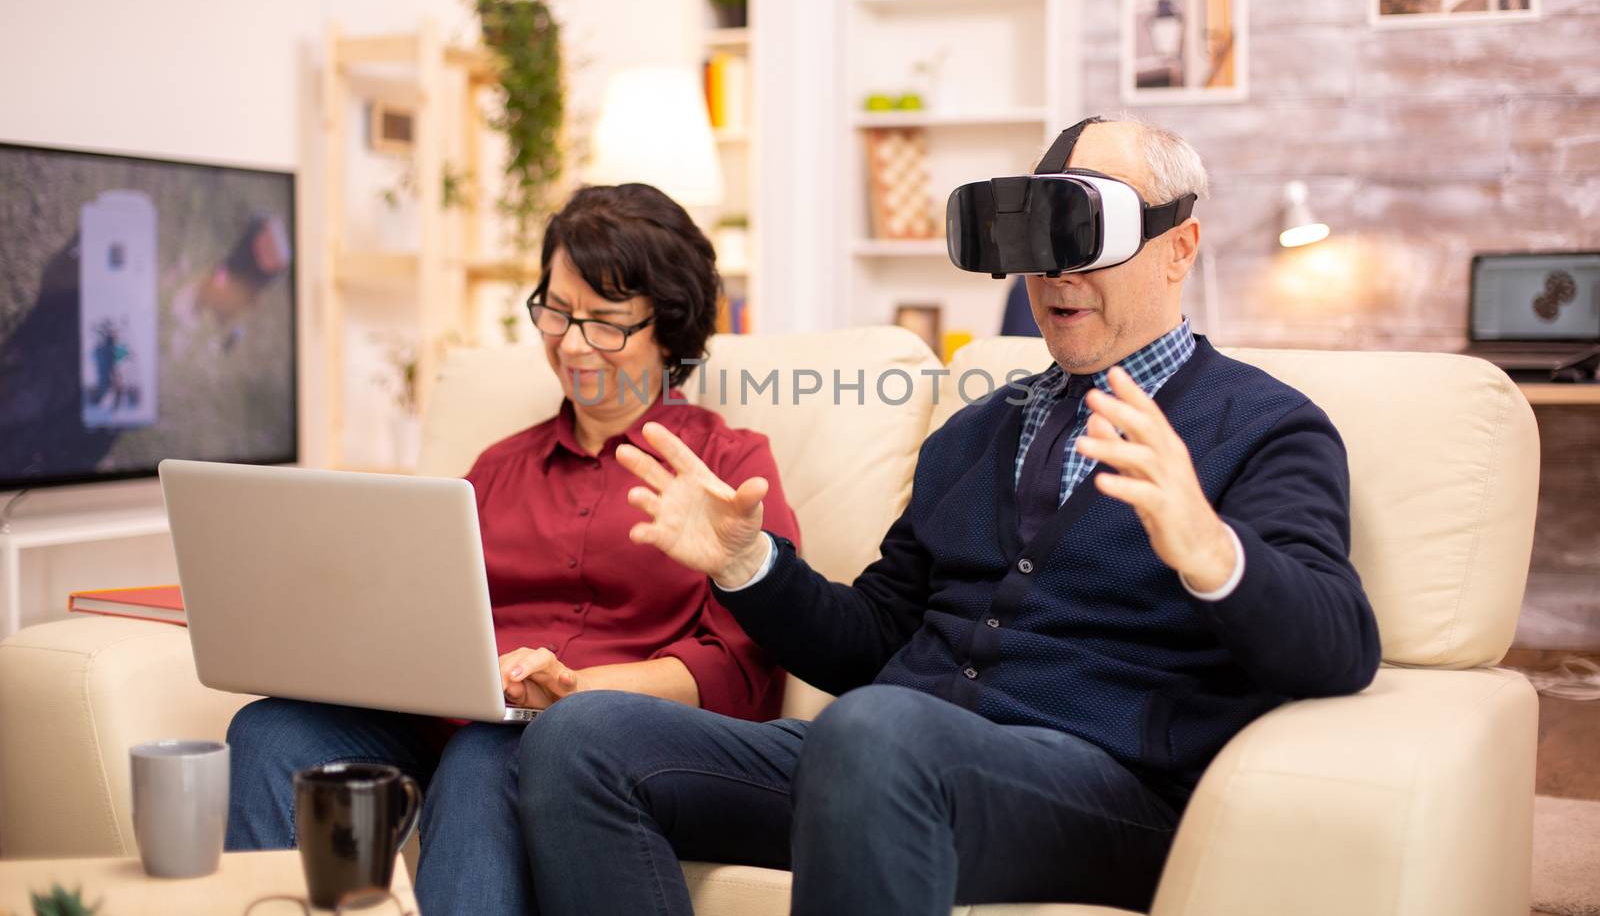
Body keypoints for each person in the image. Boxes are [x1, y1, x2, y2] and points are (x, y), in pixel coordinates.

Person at [514, 118, 1382, 914]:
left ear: (1178, 248)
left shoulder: (1264, 426)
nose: (1057, 273)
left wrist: (1209, 548)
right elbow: (871, 640)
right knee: (580, 738)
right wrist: (749, 563)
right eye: (1043, 241)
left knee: (876, 734)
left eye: (1090, 239)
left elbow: (1337, 645)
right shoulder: (973, 433)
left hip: (1105, 794)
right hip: (880, 762)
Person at [224, 183, 800, 914]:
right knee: (269, 729)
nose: (573, 342)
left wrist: (575, 687)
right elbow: (422, 607)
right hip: (459, 713)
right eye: (556, 311)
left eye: (607, 321)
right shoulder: (497, 468)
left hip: (591, 733)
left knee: (486, 753)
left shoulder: (727, 466)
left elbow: (742, 669)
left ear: (670, 326)